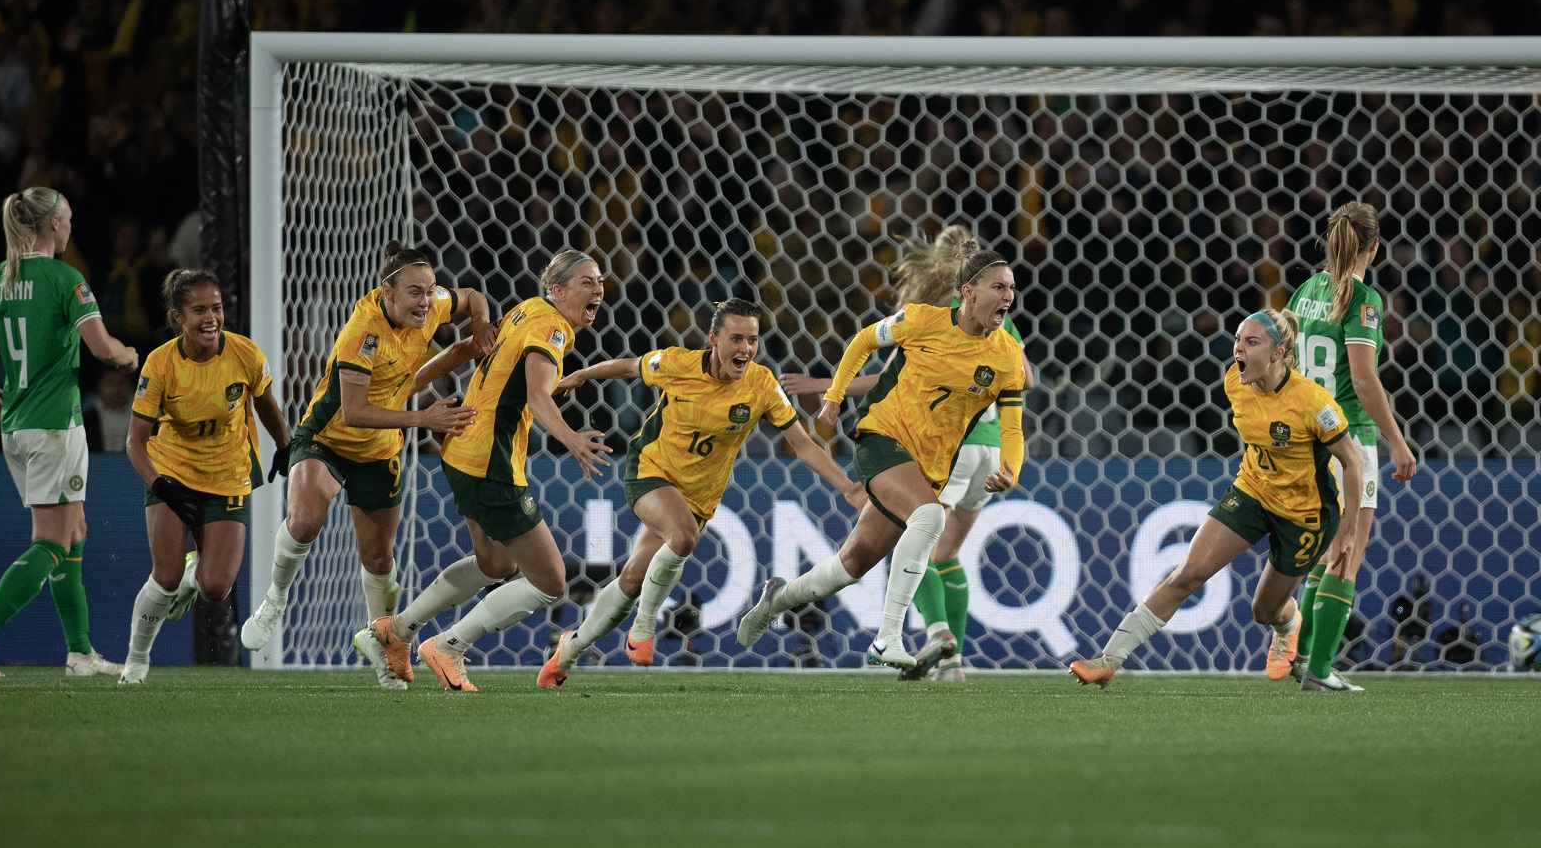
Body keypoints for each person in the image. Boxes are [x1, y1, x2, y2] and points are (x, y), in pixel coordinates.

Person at [533, 297, 867, 687]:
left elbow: (804, 443)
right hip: (650, 470)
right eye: (736, 339)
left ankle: (567, 652)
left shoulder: (761, 384)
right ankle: (643, 628)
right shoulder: (677, 364)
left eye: (753, 340)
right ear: (713, 339)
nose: (745, 349)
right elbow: (628, 366)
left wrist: (849, 487)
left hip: (698, 496)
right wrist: (582, 375)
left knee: (629, 581)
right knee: (683, 536)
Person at [735, 242, 1026, 669]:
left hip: (930, 466)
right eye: (999, 287)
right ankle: (888, 637)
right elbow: (863, 340)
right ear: (967, 291)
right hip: (881, 438)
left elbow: (1013, 425)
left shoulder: (1006, 357)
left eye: (1012, 288)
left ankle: (776, 600)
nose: (1008, 297)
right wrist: (833, 396)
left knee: (851, 564)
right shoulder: (922, 320)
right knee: (930, 518)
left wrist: (1011, 471)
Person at [353, 250, 613, 692]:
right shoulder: (551, 327)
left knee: (495, 563)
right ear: (558, 290)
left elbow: (515, 379)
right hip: (490, 463)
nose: (599, 289)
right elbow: (536, 396)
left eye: (600, 280)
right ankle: (449, 645)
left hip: (462, 450)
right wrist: (570, 438)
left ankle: (395, 631)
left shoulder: (526, 310)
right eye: (587, 281)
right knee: (550, 581)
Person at [241, 241, 492, 691]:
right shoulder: (363, 331)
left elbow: (472, 296)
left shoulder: (431, 305)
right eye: (415, 292)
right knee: (305, 519)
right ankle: (275, 598)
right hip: (329, 439)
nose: (426, 300)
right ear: (387, 292)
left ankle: (384, 648)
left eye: (431, 290)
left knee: (378, 558)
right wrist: (424, 417)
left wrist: (481, 327)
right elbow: (354, 410)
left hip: (380, 451)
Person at [1069, 309, 1364, 688]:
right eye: (1238, 339)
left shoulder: (1312, 403)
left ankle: (1289, 625)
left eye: (1251, 342)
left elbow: (1352, 464)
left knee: (1264, 610)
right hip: (1253, 491)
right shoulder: (1235, 382)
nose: (1238, 349)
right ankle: (1108, 661)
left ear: (1278, 353)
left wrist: (1349, 529)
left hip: (1305, 516)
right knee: (1188, 573)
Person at [0, 187, 138, 678]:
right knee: (50, 544)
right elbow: (102, 348)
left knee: (75, 534)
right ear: (52, 225)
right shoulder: (67, 279)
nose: (71, 226)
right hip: (54, 425)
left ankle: (79, 653)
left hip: (17, 427)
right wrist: (130, 356)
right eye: (67, 218)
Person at [118, 269, 292, 684]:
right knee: (165, 576)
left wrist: (285, 444)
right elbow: (134, 442)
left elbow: (265, 402)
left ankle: (195, 570)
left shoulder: (245, 353)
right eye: (199, 310)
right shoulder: (160, 363)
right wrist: (159, 485)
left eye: (216, 307)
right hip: (173, 472)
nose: (211, 318)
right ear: (178, 316)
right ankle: (137, 660)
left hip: (228, 474)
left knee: (215, 587)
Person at [1286, 202, 1418, 691]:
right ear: (1374, 246)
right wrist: (1398, 442)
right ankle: (1320, 673)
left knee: (1325, 554)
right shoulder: (1362, 300)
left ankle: (1302, 658)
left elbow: (1292, 370)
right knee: (1348, 553)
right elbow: (1363, 379)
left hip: (1309, 439)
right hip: (1350, 442)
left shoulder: (1305, 291)